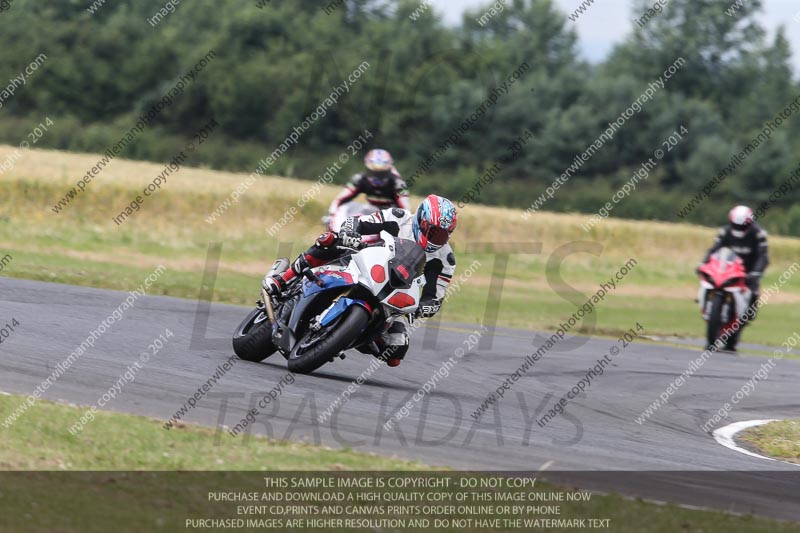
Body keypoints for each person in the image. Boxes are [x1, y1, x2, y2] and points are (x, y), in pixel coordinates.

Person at [264, 194, 458, 367]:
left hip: (395, 295)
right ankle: (284, 277)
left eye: (442, 234)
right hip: (364, 262)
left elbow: (435, 297)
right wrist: (352, 232)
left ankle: (353, 335)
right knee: (330, 240)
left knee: (396, 354)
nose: (435, 238)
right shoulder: (399, 217)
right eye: (432, 231)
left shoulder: (445, 259)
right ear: (420, 220)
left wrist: (424, 307)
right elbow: (358, 222)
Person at [700, 205, 769, 315]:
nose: (739, 228)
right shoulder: (725, 231)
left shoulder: (759, 234)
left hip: (749, 270)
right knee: (709, 281)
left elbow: (763, 256)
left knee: (751, 302)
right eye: (736, 225)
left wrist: (756, 273)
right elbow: (714, 249)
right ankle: (706, 304)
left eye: (742, 226)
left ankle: (744, 314)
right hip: (728, 268)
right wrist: (703, 262)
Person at [328, 149, 410, 216]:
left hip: (390, 219)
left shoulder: (398, 184)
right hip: (369, 214)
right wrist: (332, 214)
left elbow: (406, 210)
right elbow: (340, 200)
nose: (377, 177)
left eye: (381, 174)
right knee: (348, 209)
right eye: (374, 173)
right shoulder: (359, 179)